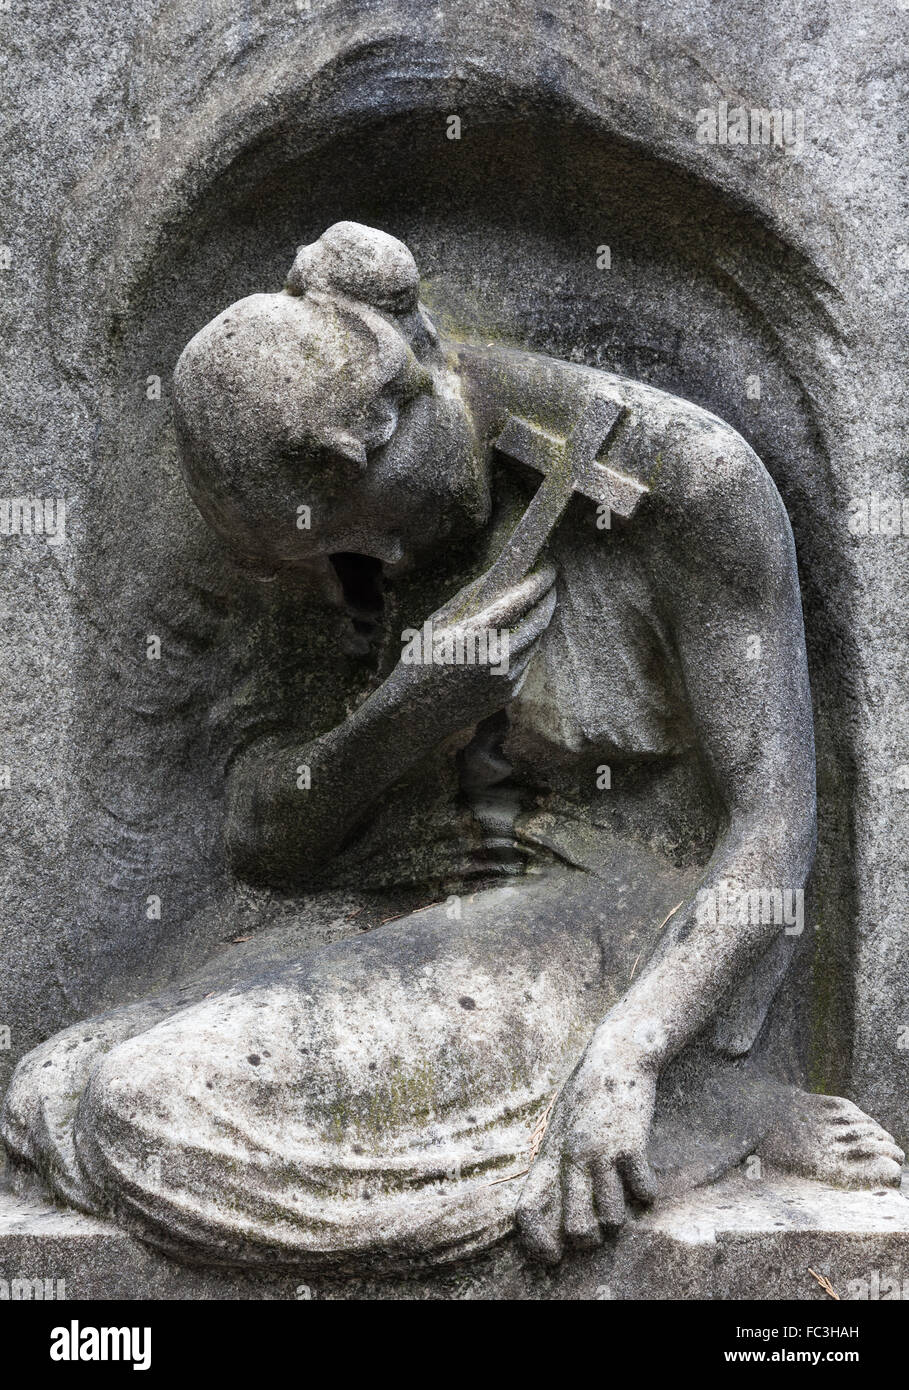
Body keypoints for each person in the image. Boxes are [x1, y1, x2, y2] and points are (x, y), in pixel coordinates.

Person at [2, 224, 901, 1271]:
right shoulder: (339, 535)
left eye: (370, 532)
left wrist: (631, 1054)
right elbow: (263, 840)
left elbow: (774, 827)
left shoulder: (688, 480)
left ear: (394, 415)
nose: (373, 561)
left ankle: (710, 1107)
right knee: (45, 1090)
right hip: (402, 907)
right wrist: (403, 715)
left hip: (616, 927)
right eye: (340, 553)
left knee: (144, 1105)